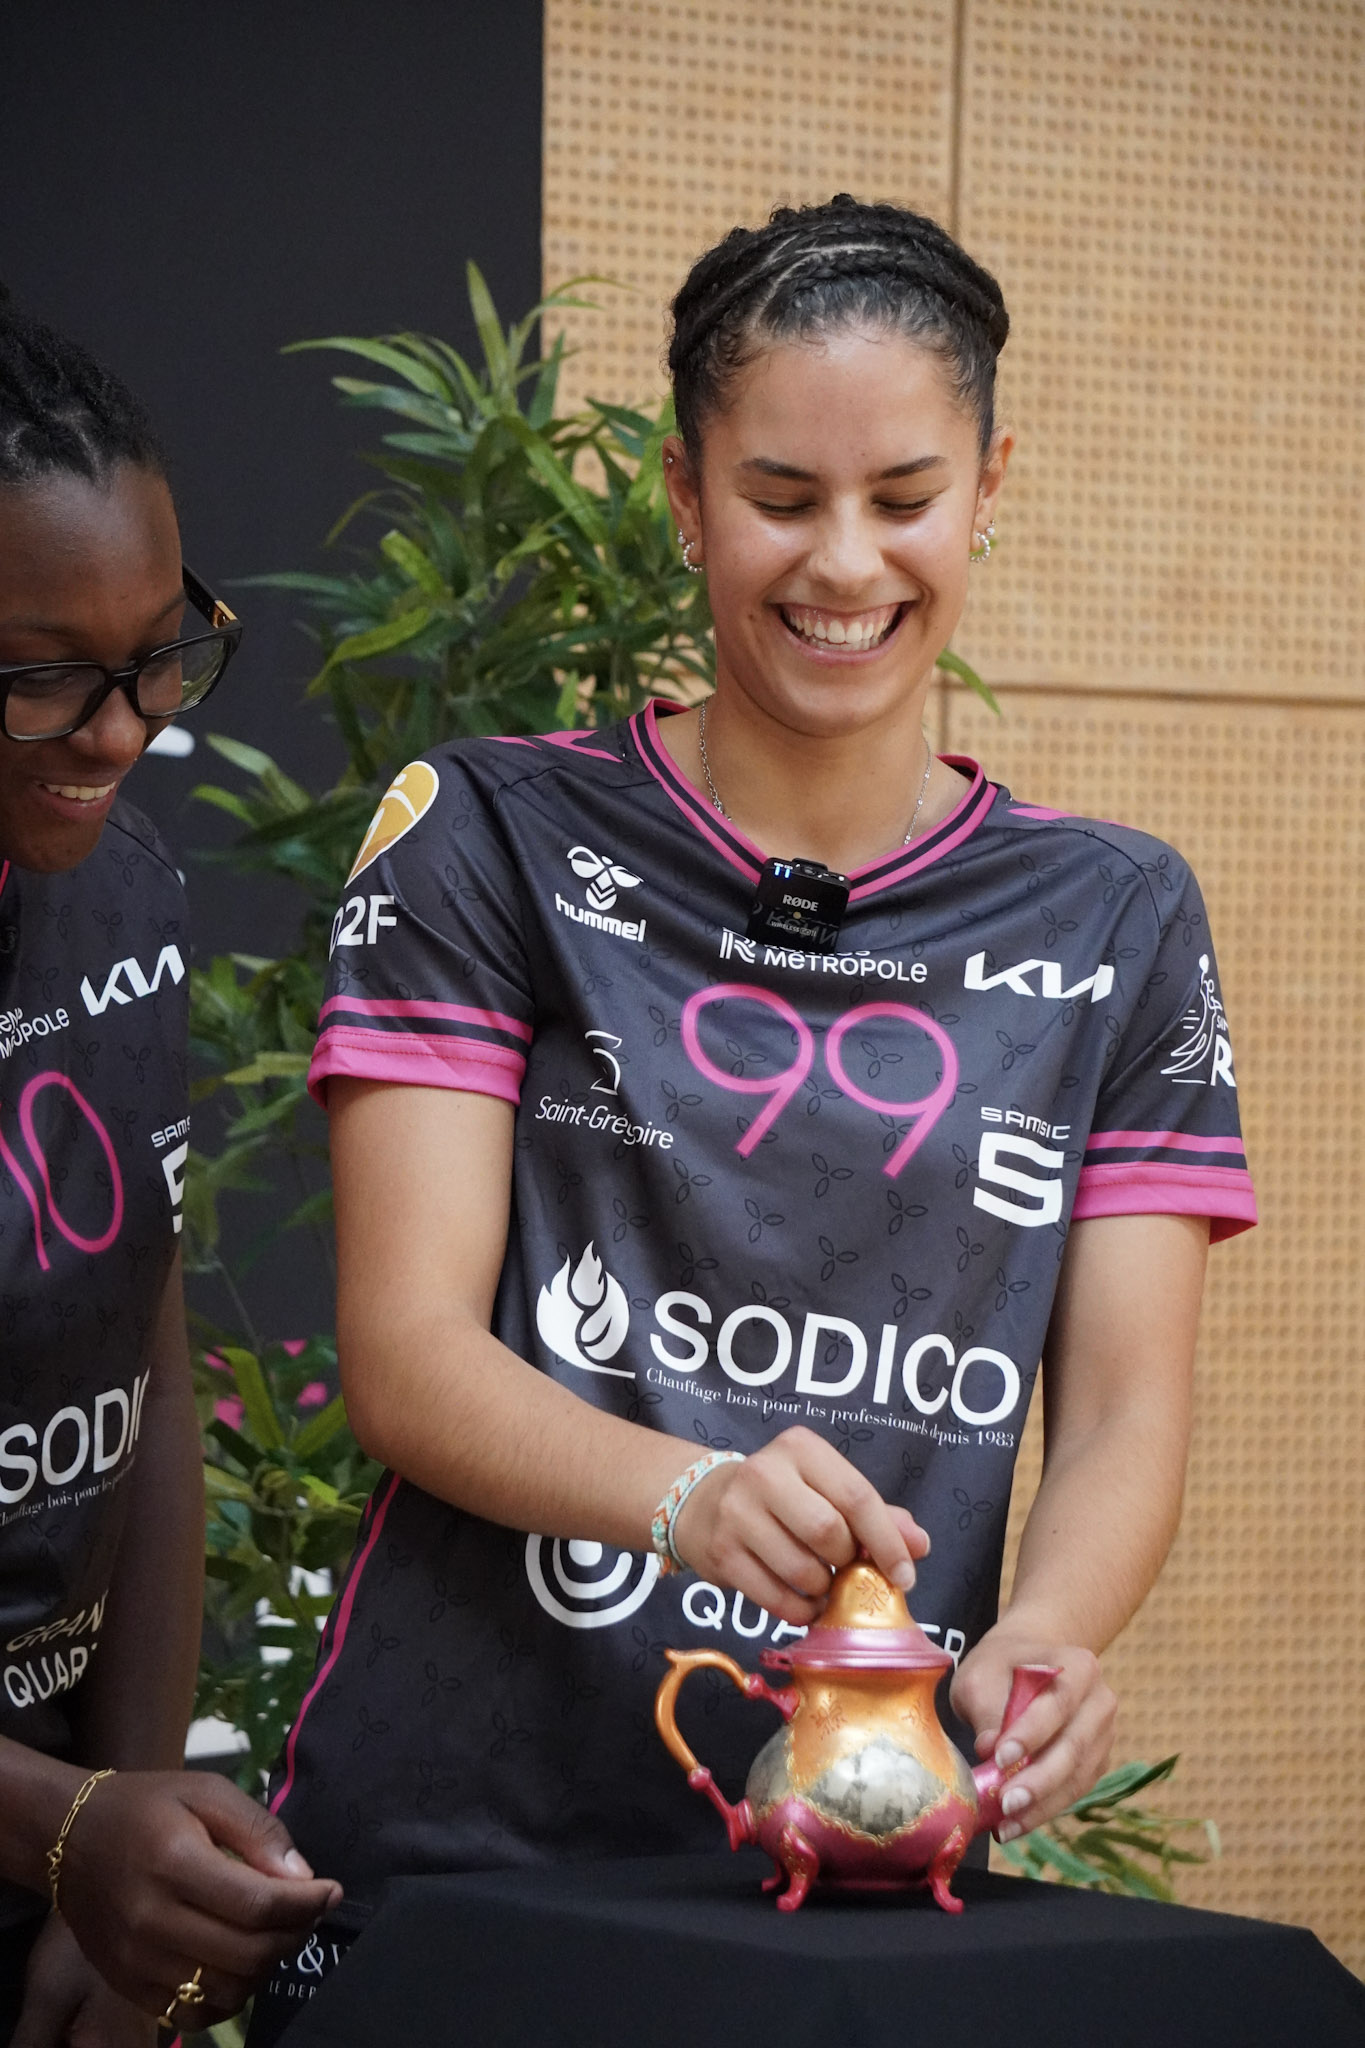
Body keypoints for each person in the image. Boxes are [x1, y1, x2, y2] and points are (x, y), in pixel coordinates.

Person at [253, 196, 1255, 2034]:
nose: (845, 561)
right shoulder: (485, 833)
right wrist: (690, 1497)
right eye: (781, 496)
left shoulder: (1117, 915)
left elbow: (1122, 1403)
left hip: (860, 1873)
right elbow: (401, 1352)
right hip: (467, 1860)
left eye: (904, 495)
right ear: (684, 496)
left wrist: (1044, 1638)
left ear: (988, 488)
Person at [0, 292, 341, 2047]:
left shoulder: (123, 891)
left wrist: (118, 1827)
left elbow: (143, 1354)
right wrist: (63, 1832)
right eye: (43, 673)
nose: (124, 728)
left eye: (160, 653)